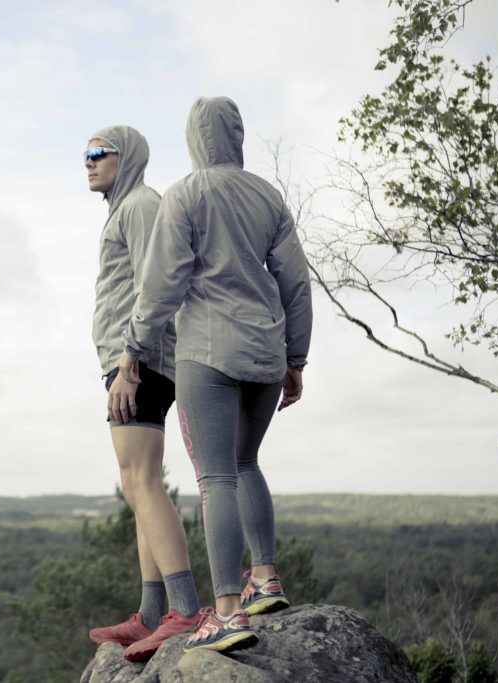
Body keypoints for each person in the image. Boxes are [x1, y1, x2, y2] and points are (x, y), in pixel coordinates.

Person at [119, 97, 312, 654]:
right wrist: (296, 359)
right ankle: (265, 577)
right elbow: (296, 284)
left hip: (207, 352)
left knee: (216, 478)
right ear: (237, 136)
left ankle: (227, 612)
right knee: (247, 462)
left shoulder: (186, 193)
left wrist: (135, 348)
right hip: (266, 354)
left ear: (193, 139)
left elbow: (162, 283)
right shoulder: (268, 197)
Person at [83, 125, 206, 663]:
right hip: (133, 361)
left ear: (126, 156)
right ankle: (152, 613)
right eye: (85, 155)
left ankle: (184, 609)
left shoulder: (138, 205)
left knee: (143, 481)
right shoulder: (127, 208)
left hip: (139, 363)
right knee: (136, 485)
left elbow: (156, 285)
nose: (88, 162)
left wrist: (128, 365)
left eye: (98, 153)